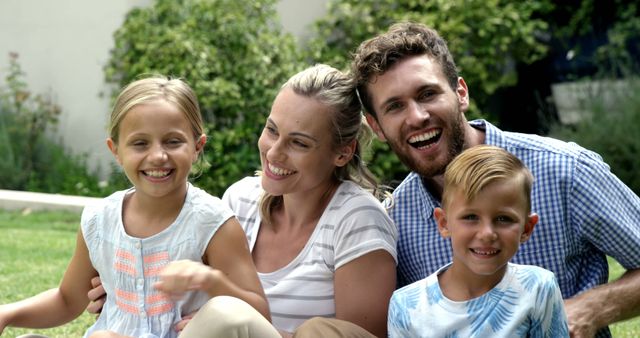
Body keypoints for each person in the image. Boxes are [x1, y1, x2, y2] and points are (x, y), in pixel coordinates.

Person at [350, 22, 640, 338]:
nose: (417, 116)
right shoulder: (395, 221)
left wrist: (587, 309)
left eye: (428, 93)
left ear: (460, 93)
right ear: (376, 127)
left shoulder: (565, 171)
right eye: (394, 106)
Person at [86, 65, 398, 338]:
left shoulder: (358, 221)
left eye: (299, 143)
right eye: (272, 130)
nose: (274, 153)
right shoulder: (240, 199)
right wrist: (127, 293)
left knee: (223, 316)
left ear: (342, 152)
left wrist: (232, 328)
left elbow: (350, 337)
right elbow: (188, 296)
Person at [0, 76, 272, 338]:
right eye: (140, 143)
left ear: (197, 146)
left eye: (173, 141)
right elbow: (67, 300)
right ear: (115, 150)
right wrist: (8, 313)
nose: (157, 156)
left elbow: (257, 317)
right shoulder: (99, 220)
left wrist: (211, 281)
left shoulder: (212, 223)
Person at [387, 145, 569, 337]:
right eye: (471, 217)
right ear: (444, 223)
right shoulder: (406, 306)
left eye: (503, 219)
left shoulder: (538, 288)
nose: (487, 234)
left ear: (526, 228)